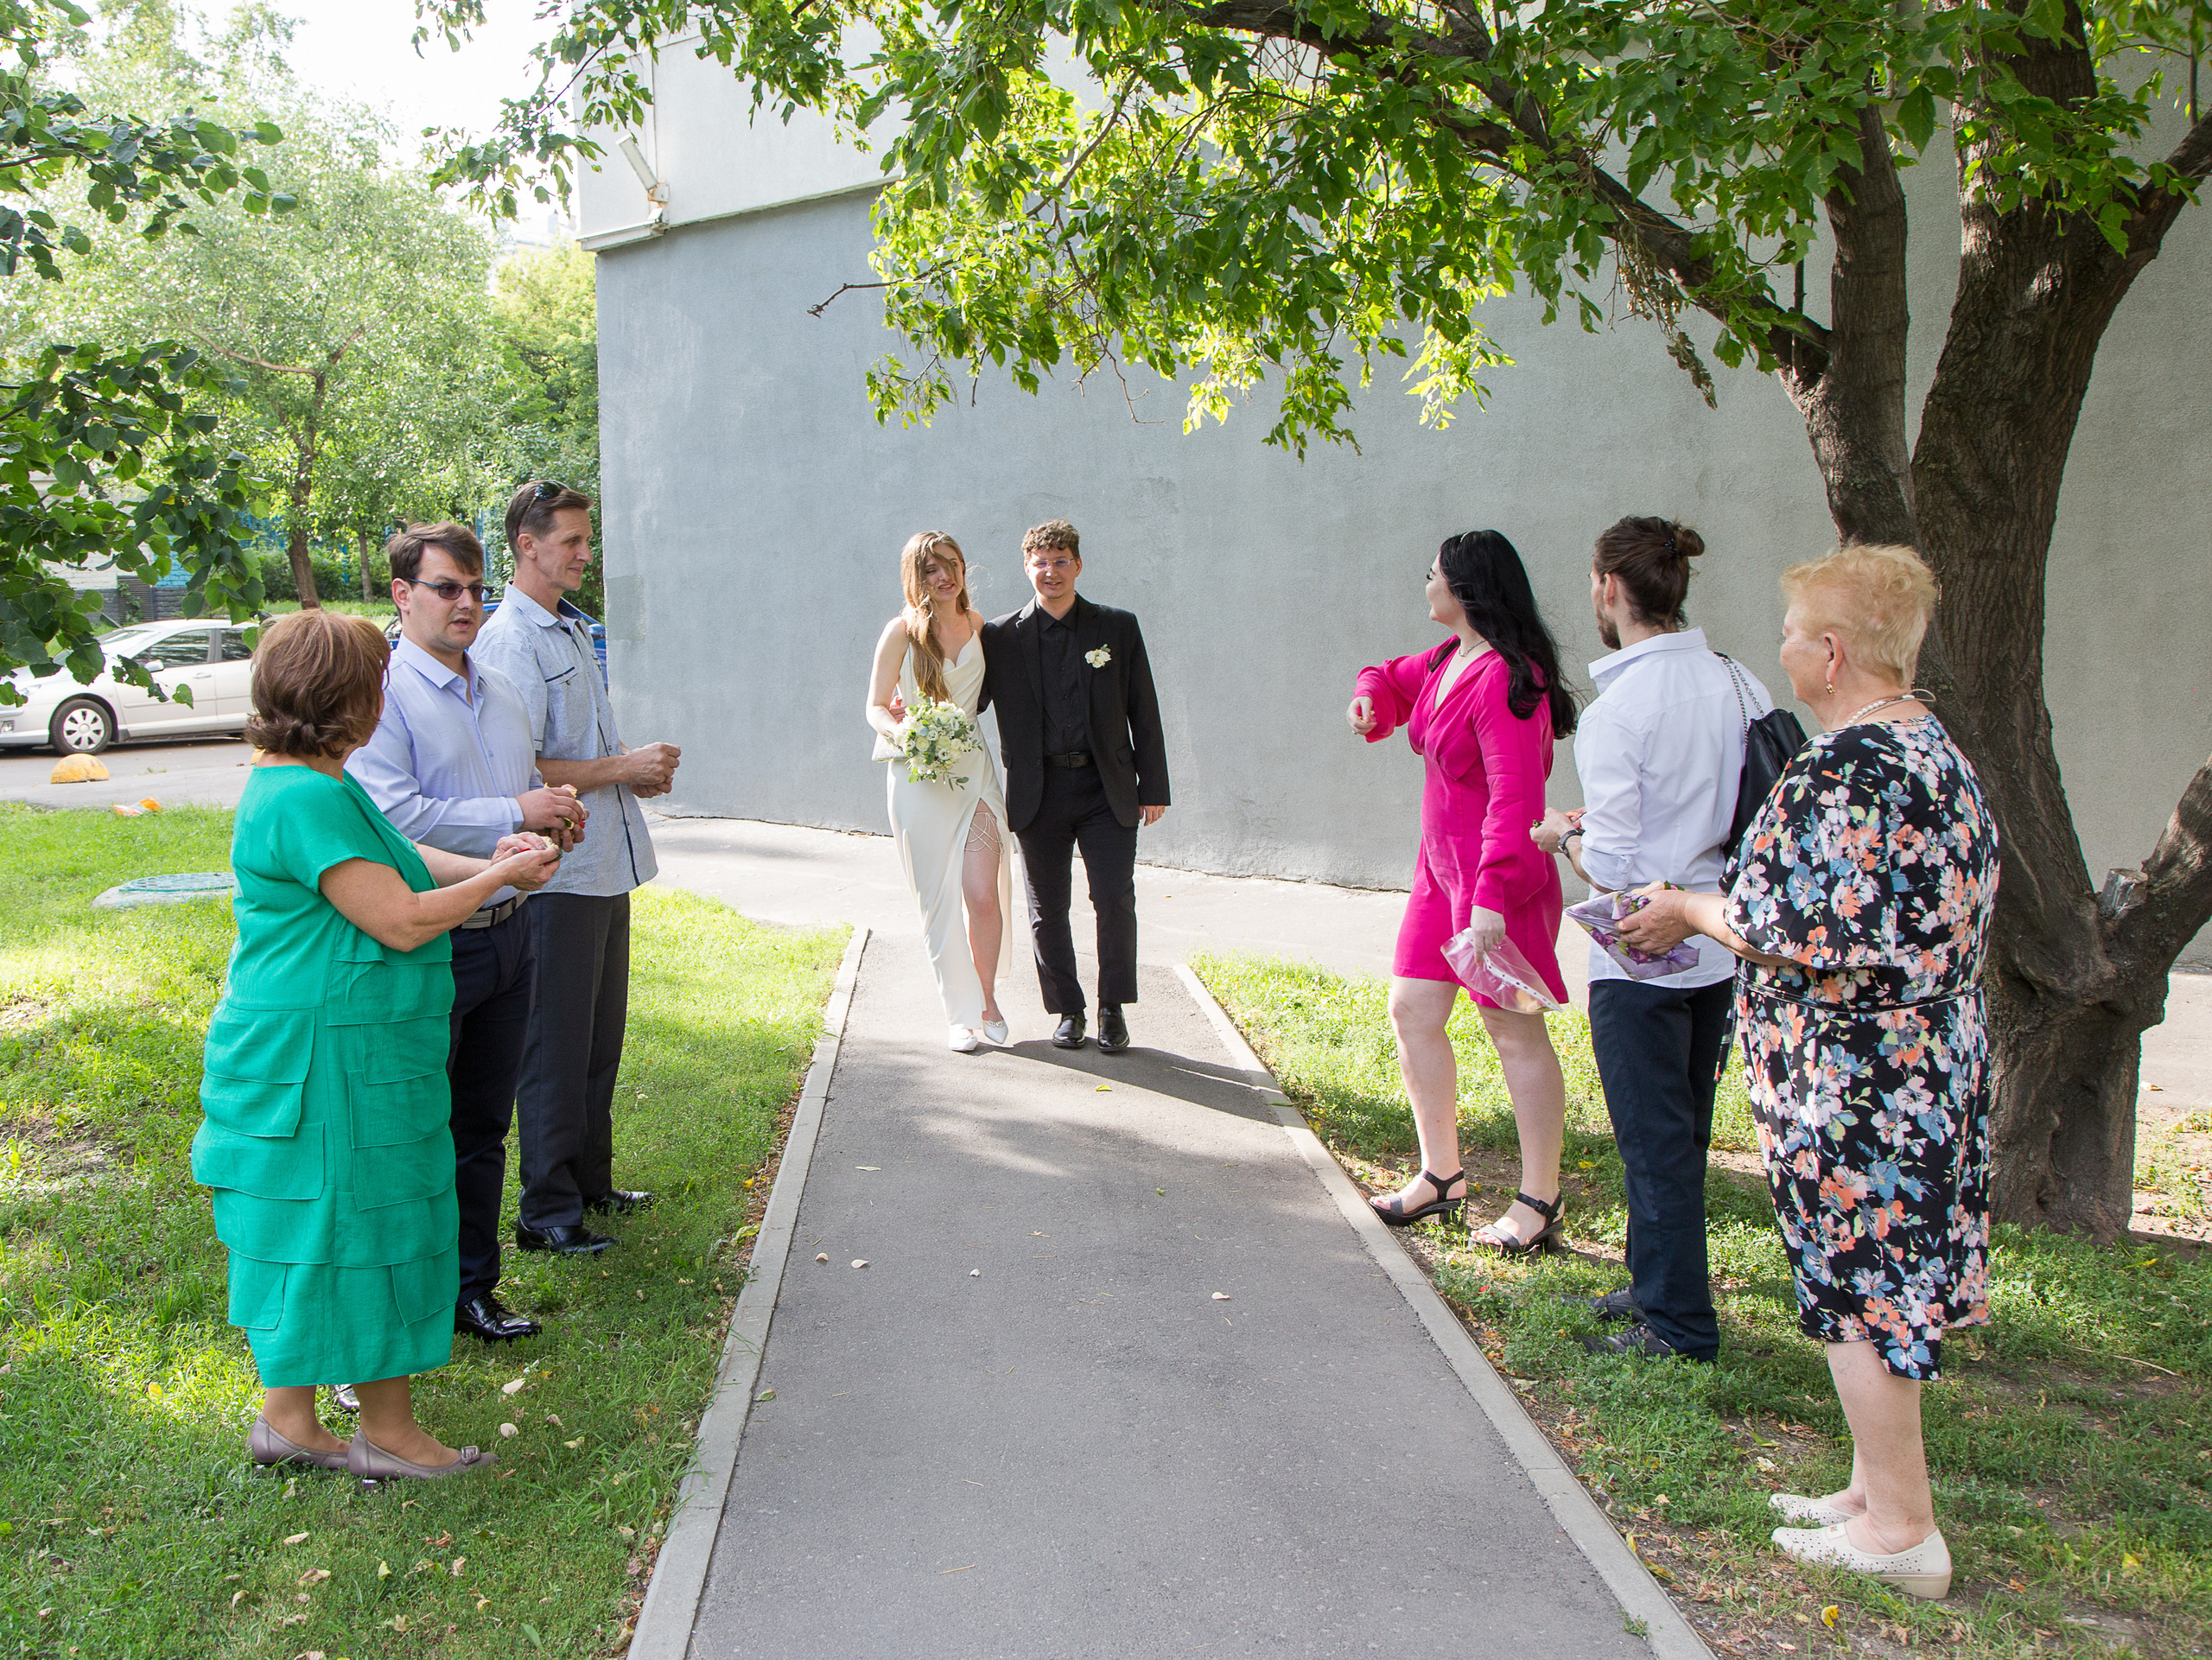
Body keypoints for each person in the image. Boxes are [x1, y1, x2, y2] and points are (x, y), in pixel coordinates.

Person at [1617, 543, 1996, 1601]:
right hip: (1917, 1063)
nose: (1778, 646)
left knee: (1863, 1294)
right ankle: (1873, 1492)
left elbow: (1782, 927)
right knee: (1881, 1287)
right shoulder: (1927, 748)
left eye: (1790, 632)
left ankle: (1902, 1532)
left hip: (1858, 1081)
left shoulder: (1844, 768)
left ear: (1830, 653)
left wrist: (1684, 906)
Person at [193, 608, 561, 1480]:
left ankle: (289, 1420)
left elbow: (396, 859)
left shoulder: (310, 781)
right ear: (347, 697)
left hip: (330, 1052)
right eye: (375, 680)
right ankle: (390, 1434)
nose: (384, 691)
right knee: (363, 1219)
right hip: (326, 1064)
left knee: (316, 1226)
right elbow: (397, 919)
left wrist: (487, 858)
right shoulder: (309, 795)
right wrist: (501, 876)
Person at [1531, 517, 1777, 1362]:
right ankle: (1651, 1281)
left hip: (1640, 947)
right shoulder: (1740, 682)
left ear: (1607, 587)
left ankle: (1677, 1324)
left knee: (1650, 1136)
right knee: (1685, 1129)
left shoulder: (1617, 711)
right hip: (1720, 936)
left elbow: (1613, 860)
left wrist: (1562, 835)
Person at [348, 520, 588, 1344]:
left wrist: (555, 821)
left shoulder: (499, 688)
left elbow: (525, 790)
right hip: (436, 937)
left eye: (475, 588)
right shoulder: (381, 695)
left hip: (512, 933)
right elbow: (394, 818)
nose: (466, 603)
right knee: (419, 1130)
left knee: (483, 1125)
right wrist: (517, 814)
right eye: (447, 587)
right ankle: (403, 1299)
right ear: (402, 594)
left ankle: (470, 1290)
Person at [1348, 531, 1576, 1252]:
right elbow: (1385, 675)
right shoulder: (1451, 657)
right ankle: (1440, 1178)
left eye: (1433, 574)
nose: (1426, 585)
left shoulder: (1512, 679)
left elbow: (1515, 798)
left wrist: (1491, 900)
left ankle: (1539, 1200)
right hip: (1436, 875)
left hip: (1491, 886)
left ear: (1466, 588)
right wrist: (1368, 702)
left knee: (1514, 1030)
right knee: (1411, 1010)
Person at [474, 481, 679, 1256]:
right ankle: (547, 1212)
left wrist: (627, 773)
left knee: (598, 1037)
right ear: (526, 545)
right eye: (571, 541)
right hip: (557, 876)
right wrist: (622, 764)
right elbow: (524, 766)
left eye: (586, 540)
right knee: (555, 1046)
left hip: (602, 865)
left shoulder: (566, 629)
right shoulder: (511, 642)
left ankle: (592, 1180)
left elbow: (580, 753)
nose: (586, 553)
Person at [977, 519, 1170, 1054]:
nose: (1051, 571)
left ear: (1078, 565)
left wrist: (1152, 786)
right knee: (1047, 907)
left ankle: (1112, 1007)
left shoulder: (1117, 627)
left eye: (1061, 561)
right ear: (1026, 567)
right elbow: (969, 699)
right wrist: (914, 706)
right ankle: (1068, 1008)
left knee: (1113, 897)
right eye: (1041, 561)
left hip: (1106, 788)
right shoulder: (1000, 636)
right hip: (1036, 791)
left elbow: (1144, 711)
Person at [866, 532, 1014, 1052]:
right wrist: (905, 734)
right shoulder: (901, 633)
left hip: (974, 772)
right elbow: (876, 706)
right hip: (917, 778)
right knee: (939, 902)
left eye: (951, 565)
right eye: (931, 569)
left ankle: (987, 999)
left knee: (982, 893)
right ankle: (960, 1015)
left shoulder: (979, 627)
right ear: (916, 576)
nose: (943, 576)